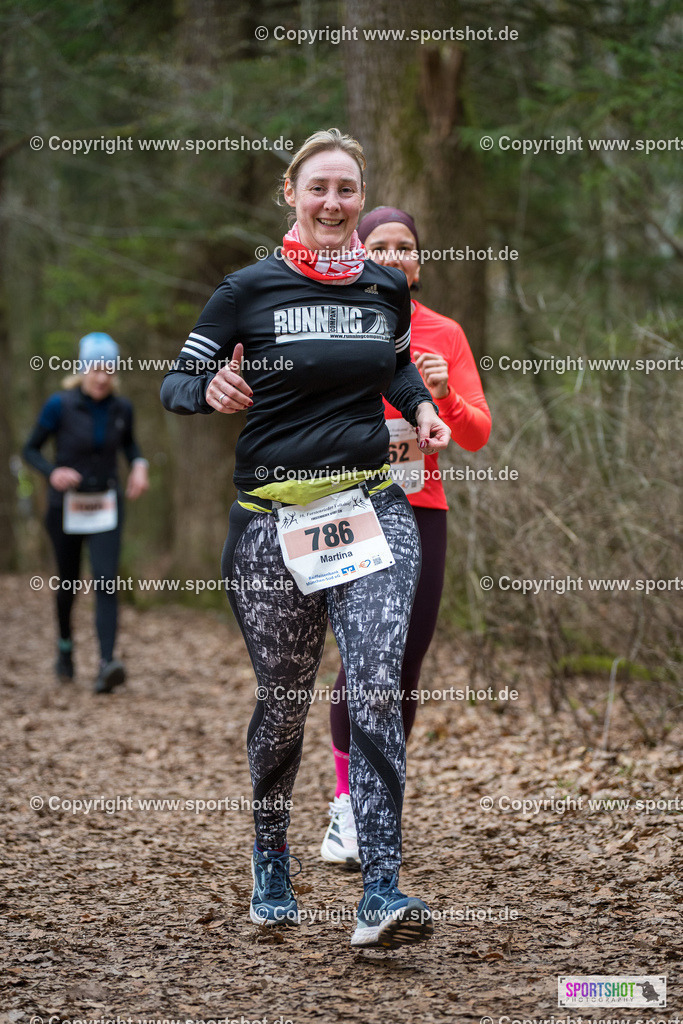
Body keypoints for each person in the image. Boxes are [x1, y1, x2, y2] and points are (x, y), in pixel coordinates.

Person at [161, 129, 451, 949]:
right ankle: (269, 860)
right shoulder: (245, 290)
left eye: (347, 190)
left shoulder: (382, 287)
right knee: (285, 703)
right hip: (271, 521)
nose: (333, 203)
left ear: (361, 200)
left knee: (373, 683)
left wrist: (420, 407)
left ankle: (382, 890)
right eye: (318, 187)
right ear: (289, 192)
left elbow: (392, 365)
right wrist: (207, 387)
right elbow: (175, 381)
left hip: (371, 505)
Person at [321, 207, 492, 869]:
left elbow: (476, 434)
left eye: (405, 247)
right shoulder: (332, 322)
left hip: (421, 507)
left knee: (405, 663)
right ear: (357, 256)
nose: (393, 256)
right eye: (379, 246)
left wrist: (444, 398)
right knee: (360, 658)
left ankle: (379, 798)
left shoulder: (444, 332)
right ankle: (345, 805)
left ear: (417, 264)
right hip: (342, 505)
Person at [24, 333, 149, 693]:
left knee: (106, 580)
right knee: (68, 584)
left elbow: (131, 446)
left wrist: (139, 465)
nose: (102, 376)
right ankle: (65, 647)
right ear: (82, 369)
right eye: (96, 368)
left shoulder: (121, 408)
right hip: (66, 507)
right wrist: (53, 472)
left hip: (106, 505)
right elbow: (30, 449)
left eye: (109, 368)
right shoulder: (59, 405)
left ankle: (106, 663)